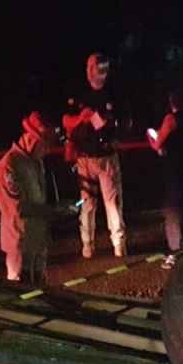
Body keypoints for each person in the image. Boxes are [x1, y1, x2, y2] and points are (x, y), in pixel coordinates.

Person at [0, 112, 76, 284]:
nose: (46, 151)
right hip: (20, 241)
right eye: (44, 145)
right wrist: (54, 210)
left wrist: (57, 208)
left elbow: (39, 199)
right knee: (20, 291)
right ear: (31, 139)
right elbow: (17, 208)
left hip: (38, 239)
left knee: (40, 288)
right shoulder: (8, 165)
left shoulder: (35, 161)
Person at [63, 52, 127, 258]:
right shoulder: (79, 93)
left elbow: (124, 122)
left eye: (96, 67)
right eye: (90, 66)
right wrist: (81, 119)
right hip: (84, 158)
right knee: (87, 204)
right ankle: (87, 244)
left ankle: (119, 244)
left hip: (107, 156)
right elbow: (66, 121)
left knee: (113, 202)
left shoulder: (114, 93)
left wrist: (111, 125)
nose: (91, 71)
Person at [147, 89, 183, 269]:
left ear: (172, 103)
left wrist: (152, 138)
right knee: (182, 210)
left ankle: (175, 253)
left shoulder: (171, 119)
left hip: (173, 169)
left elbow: (159, 142)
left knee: (172, 211)